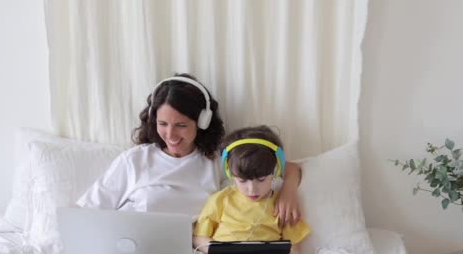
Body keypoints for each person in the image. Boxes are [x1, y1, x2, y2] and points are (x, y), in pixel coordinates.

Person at [76, 73, 302, 225]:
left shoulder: (216, 161)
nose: (170, 135)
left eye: (181, 125)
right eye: (162, 124)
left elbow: (288, 166)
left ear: (202, 122)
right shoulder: (134, 160)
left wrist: (288, 192)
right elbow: (88, 212)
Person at [193, 125, 310, 254]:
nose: (251, 189)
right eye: (242, 181)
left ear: (275, 171)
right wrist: (219, 251)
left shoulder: (280, 205)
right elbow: (198, 238)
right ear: (230, 174)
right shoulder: (220, 200)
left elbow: (295, 246)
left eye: (261, 180)